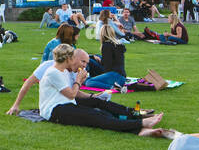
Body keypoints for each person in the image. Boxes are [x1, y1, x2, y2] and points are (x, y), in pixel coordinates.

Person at [39, 46, 170, 136]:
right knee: (95, 115)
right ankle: (140, 124)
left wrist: (93, 96)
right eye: (82, 61)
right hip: (55, 110)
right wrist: (78, 80)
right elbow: (72, 93)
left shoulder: (65, 71)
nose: (84, 65)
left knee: (100, 103)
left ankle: (135, 114)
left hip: (67, 102)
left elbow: (75, 93)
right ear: (69, 59)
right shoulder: (54, 73)